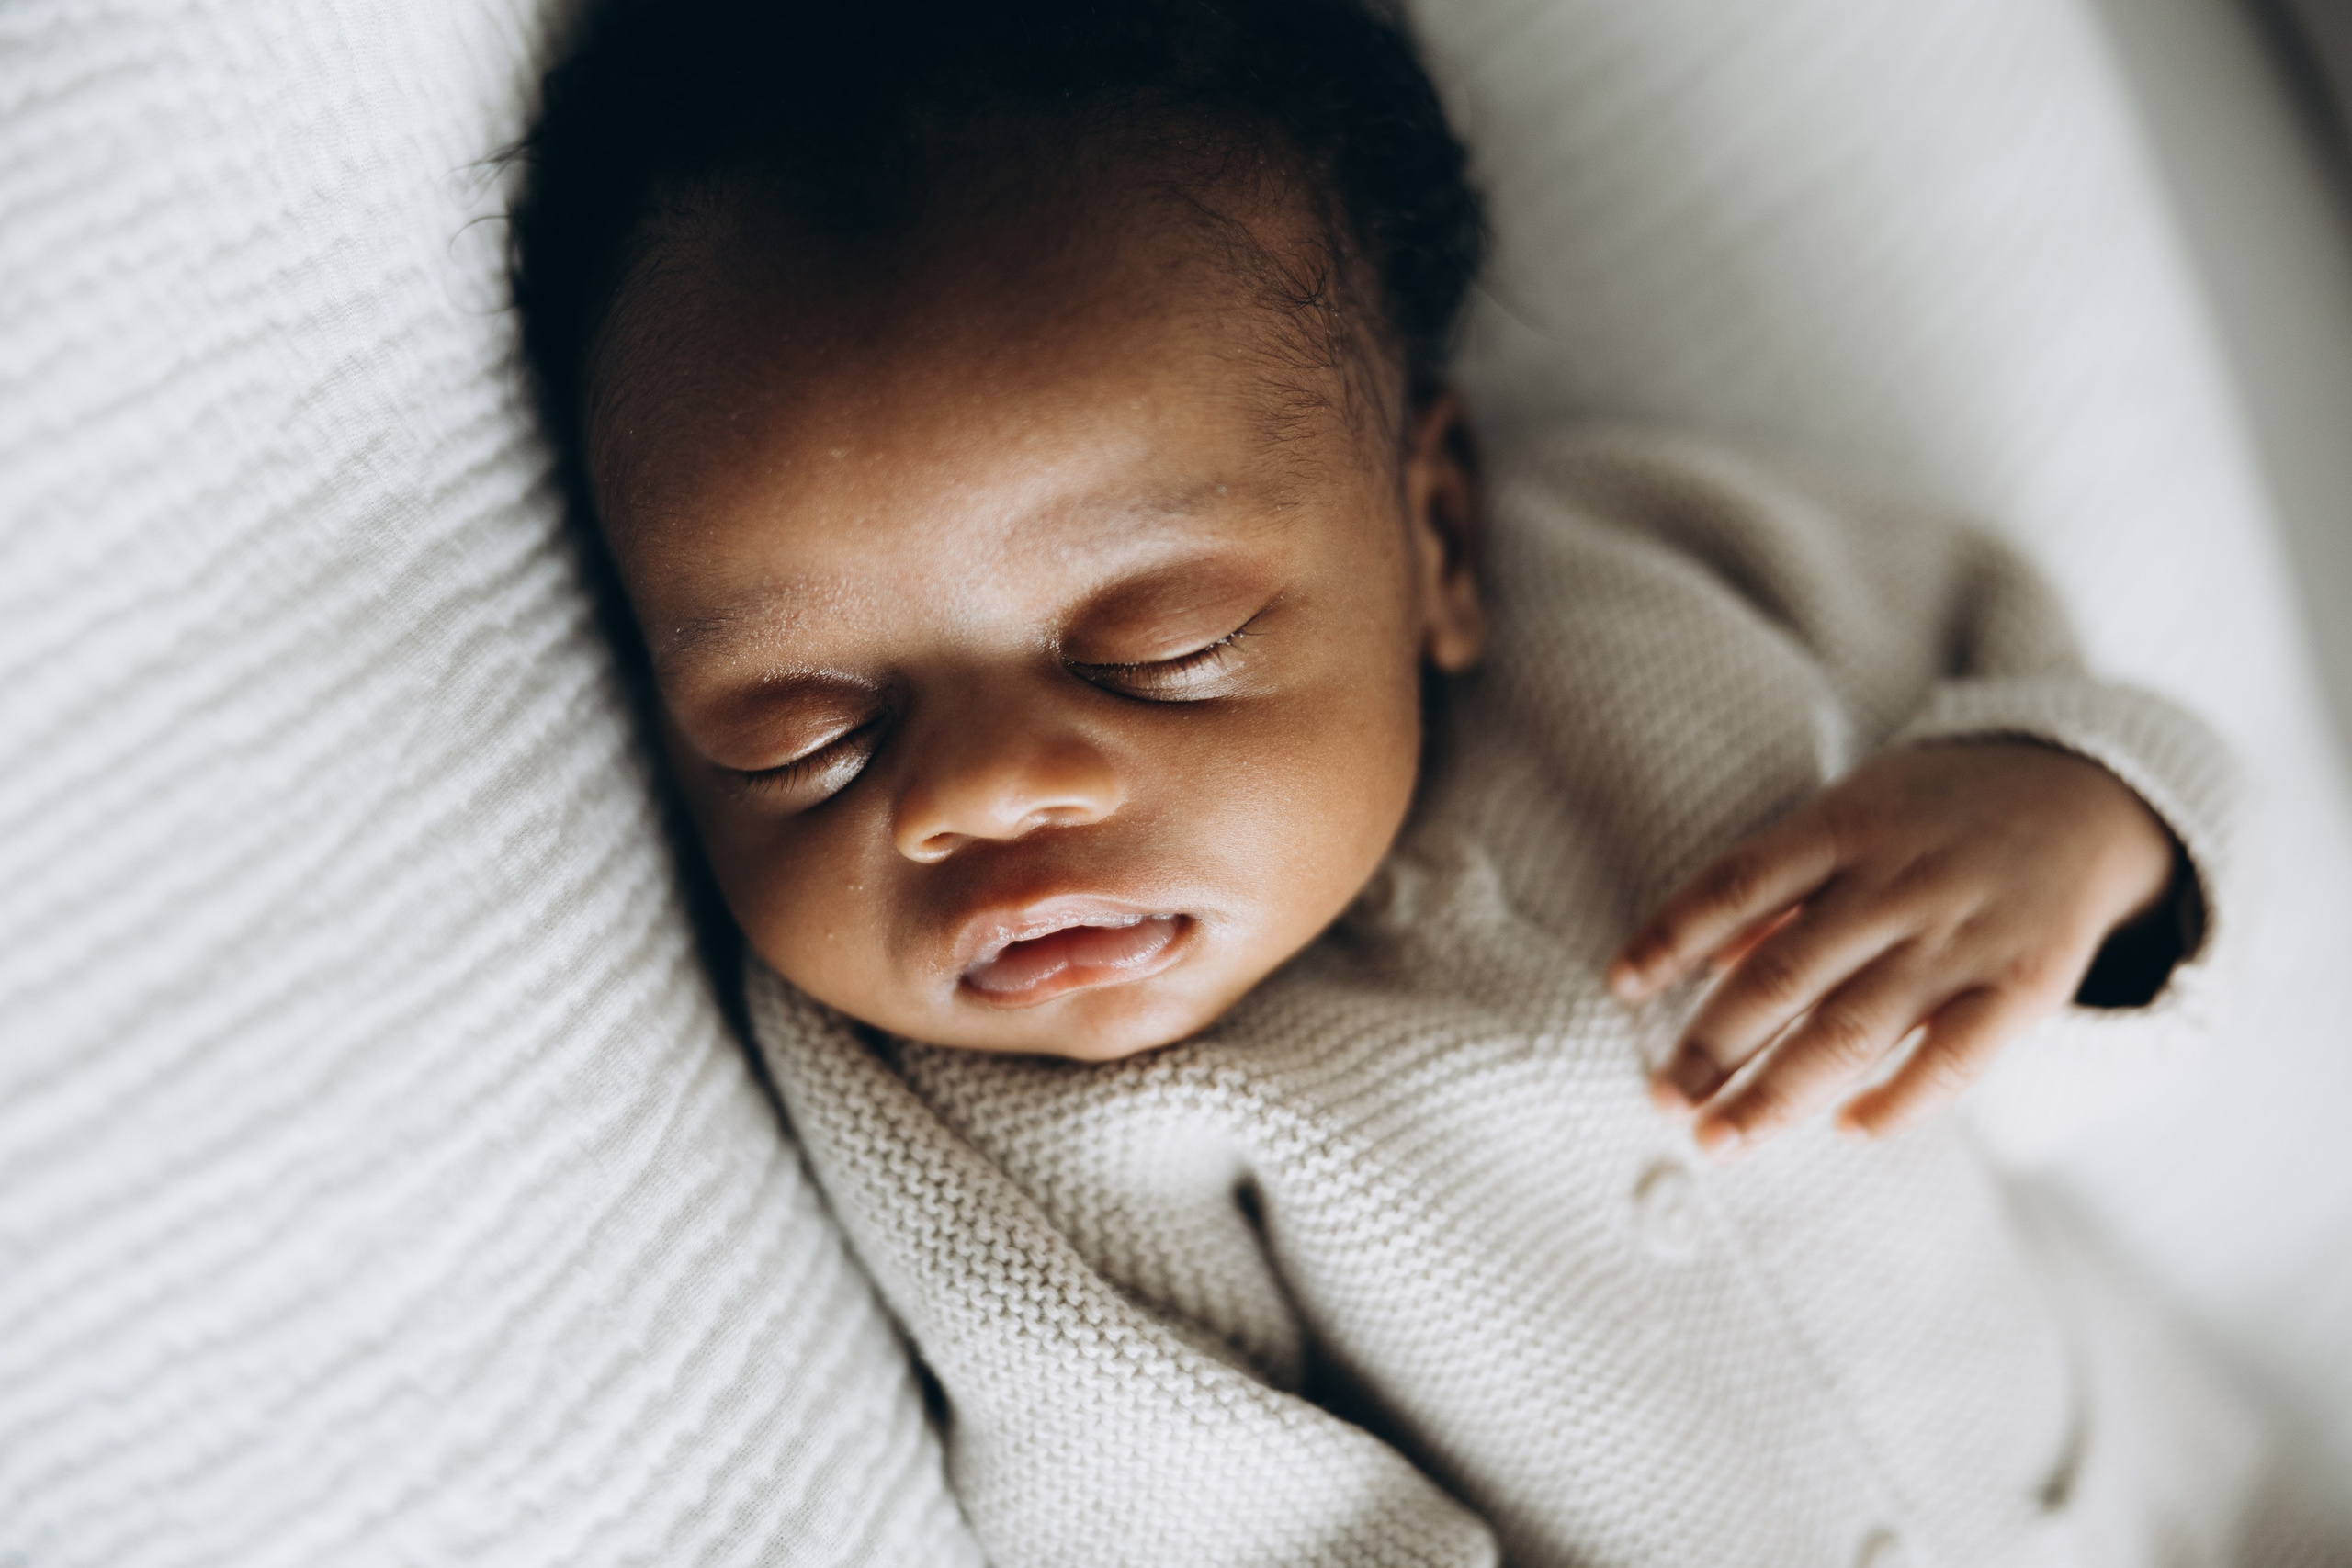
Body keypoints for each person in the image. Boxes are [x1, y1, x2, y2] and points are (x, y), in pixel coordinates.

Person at [509, 3, 2299, 1562]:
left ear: (1431, 534)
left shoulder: (1665, 591)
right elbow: (1204, 1515)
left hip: (2188, 1506)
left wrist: (2080, 836)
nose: (975, 794)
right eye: (801, 733)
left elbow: (2066, 766)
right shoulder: (983, 1133)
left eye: (1153, 641)